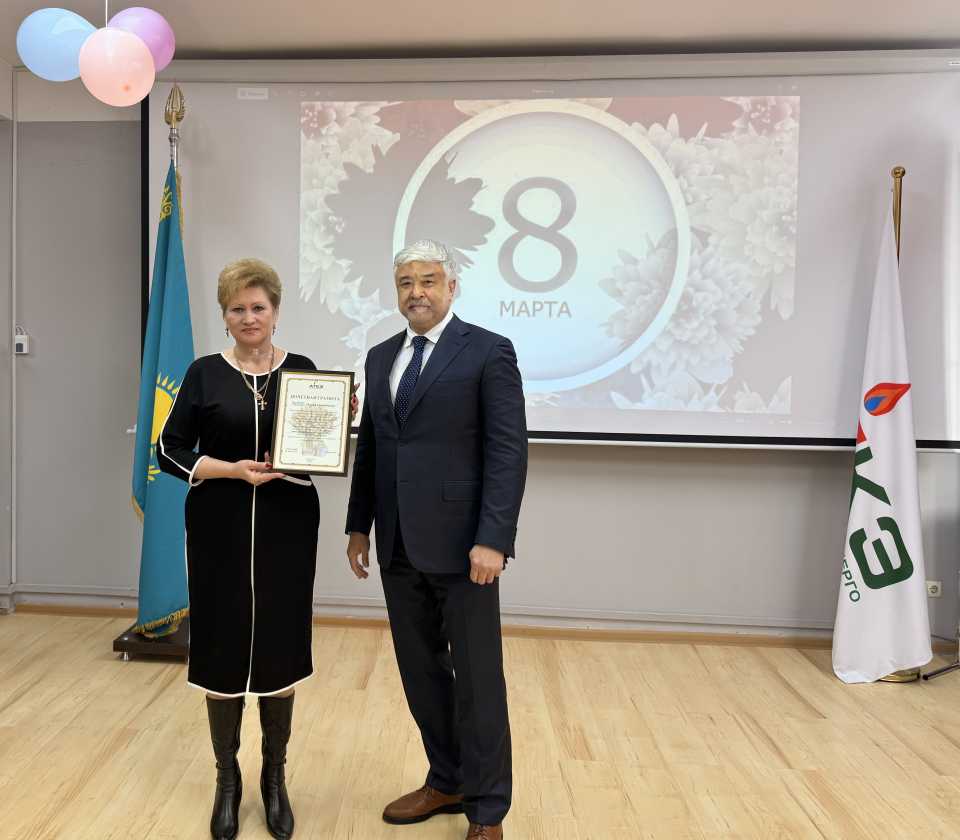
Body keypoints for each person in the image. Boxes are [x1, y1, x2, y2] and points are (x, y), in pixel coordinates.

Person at [158, 258, 356, 840]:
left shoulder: (304, 372)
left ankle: (274, 778)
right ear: (224, 316)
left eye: (258, 307)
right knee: (221, 642)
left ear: (275, 311)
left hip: (286, 524)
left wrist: (340, 421)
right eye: (237, 308)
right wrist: (231, 470)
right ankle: (227, 780)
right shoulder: (203, 374)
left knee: (279, 641)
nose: (249, 317)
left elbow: (318, 450)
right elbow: (168, 450)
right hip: (217, 525)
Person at [345, 240, 527, 840]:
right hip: (397, 544)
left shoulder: (489, 351)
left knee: (478, 682)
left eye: (428, 280)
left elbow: (507, 451)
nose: (416, 292)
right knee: (421, 674)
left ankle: (487, 810)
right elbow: (373, 448)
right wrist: (358, 525)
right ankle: (446, 779)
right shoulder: (380, 357)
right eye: (406, 282)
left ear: (452, 287)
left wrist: (493, 538)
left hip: (466, 549)